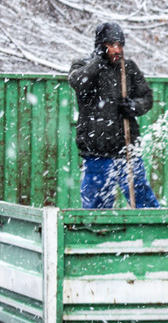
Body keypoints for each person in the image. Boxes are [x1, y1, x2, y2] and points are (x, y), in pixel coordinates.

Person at [68, 22, 160, 209]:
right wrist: (97, 62)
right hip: (96, 148)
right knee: (98, 200)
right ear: (100, 45)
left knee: (140, 193)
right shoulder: (83, 65)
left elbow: (147, 97)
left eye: (120, 45)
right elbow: (78, 82)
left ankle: (156, 233)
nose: (117, 50)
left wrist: (134, 106)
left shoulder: (128, 68)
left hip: (127, 147)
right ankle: (97, 235)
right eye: (112, 45)